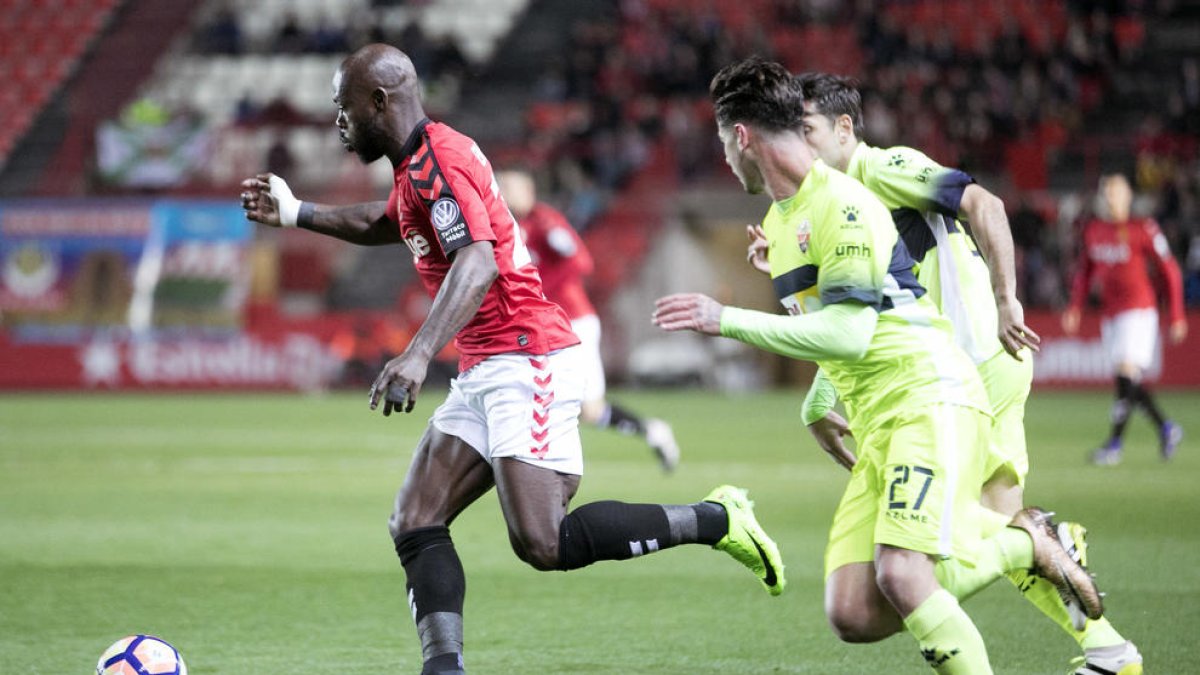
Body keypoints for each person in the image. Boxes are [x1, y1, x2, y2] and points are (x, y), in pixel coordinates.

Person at [239, 44, 785, 675]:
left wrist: (417, 354)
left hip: (527, 358)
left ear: (378, 102)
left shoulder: (439, 160)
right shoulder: (419, 163)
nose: (339, 121)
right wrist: (298, 213)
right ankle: (443, 668)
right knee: (415, 519)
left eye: (344, 106)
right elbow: (390, 222)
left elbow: (477, 261)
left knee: (543, 542)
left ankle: (716, 519)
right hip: (486, 365)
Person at [655, 56, 1102, 675]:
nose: (725, 160)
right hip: (877, 419)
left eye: (722, 144)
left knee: (903, 572)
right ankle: (1025, 545)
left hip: (927, 395)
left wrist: (724, 317)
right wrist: (817, 405)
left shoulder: (848, 202)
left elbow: (849, 330)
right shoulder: (783, 221)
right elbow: (827, 318)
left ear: (742, 136)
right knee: (854, 612)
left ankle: (1028, 546)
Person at [770, 72, 1142, 674]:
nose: (799, 145)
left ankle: (1064, 581)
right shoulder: (834, 203)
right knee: (996, 526)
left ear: (843, 128)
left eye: (807, 129)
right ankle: (1109, 649)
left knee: (940, 546)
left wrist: (1006, 298)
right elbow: (866, 312)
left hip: (968, 366)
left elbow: (984, 204)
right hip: (956, 371)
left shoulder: (882, 168)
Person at [496, 168, 681, 472]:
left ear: (528, 191)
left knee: (590, 410)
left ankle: (651, 431)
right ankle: (530, 458)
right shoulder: (513, 226)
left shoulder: (546, 222)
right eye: (501, 185)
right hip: (547, 327)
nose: (503, 192)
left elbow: (581, 261)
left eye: (509, 186)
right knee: (539, 394)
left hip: (574, 324)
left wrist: (544, 288)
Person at [1064, 173, 1187, 467]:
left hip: (1138, 310)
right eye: (1107, 192)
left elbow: (1170, 269)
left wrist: (1177, 313)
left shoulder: (1144, 228)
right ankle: (1166, 428)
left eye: (1116, 192)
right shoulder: (1094, 230)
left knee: (1126, 374)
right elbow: (1084, 272)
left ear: (1129, 196)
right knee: (1127, 382)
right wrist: (1075, 306)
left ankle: (1114, 445)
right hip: (1111, 314)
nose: (1111, 198)